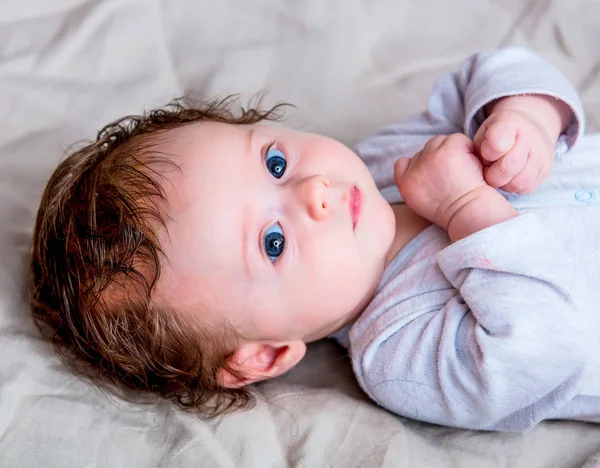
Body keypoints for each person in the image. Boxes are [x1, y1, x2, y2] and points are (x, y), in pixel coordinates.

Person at [30, 46, 600, 432]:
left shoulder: (384, 163)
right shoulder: (397, 354)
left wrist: (526, 117)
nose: (314, 192)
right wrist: (463, 206)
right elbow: (549, 348)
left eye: (275, 162)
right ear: (267, 352)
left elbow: (493, 68)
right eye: (272, 243)